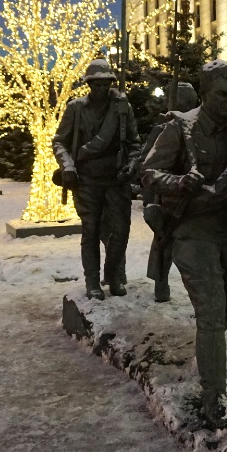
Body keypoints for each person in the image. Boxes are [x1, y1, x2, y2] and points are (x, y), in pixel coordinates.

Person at [142, 60, 227, 429]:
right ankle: (214, 396)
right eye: (223, 94)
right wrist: (178, 184)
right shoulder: (180, 129)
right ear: (205, 94)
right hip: (193, 230)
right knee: (212, 307)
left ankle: (210, 347)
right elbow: (149, 172)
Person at [52, 58, 141, 300]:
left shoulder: (122, 108)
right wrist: (68, 166)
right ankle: (93, 281)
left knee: (120, 231)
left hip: (116, 178)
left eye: (106, 84)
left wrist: (132, 166)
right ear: (89, 84)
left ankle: (113, 275)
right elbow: (60, 140)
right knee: (90, 232)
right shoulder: (76, 108)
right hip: (87, 180)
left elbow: (135, 144)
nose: (102, 89)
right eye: (97, 84)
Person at [139, 81, 199, 303]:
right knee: (164, 241)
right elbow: (148, 164)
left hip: (193, 194)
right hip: (166, 194)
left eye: (190, 101)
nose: (189, 105)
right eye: (185, 101)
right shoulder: (163, 128)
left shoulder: (197, 126)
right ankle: (160, 281)